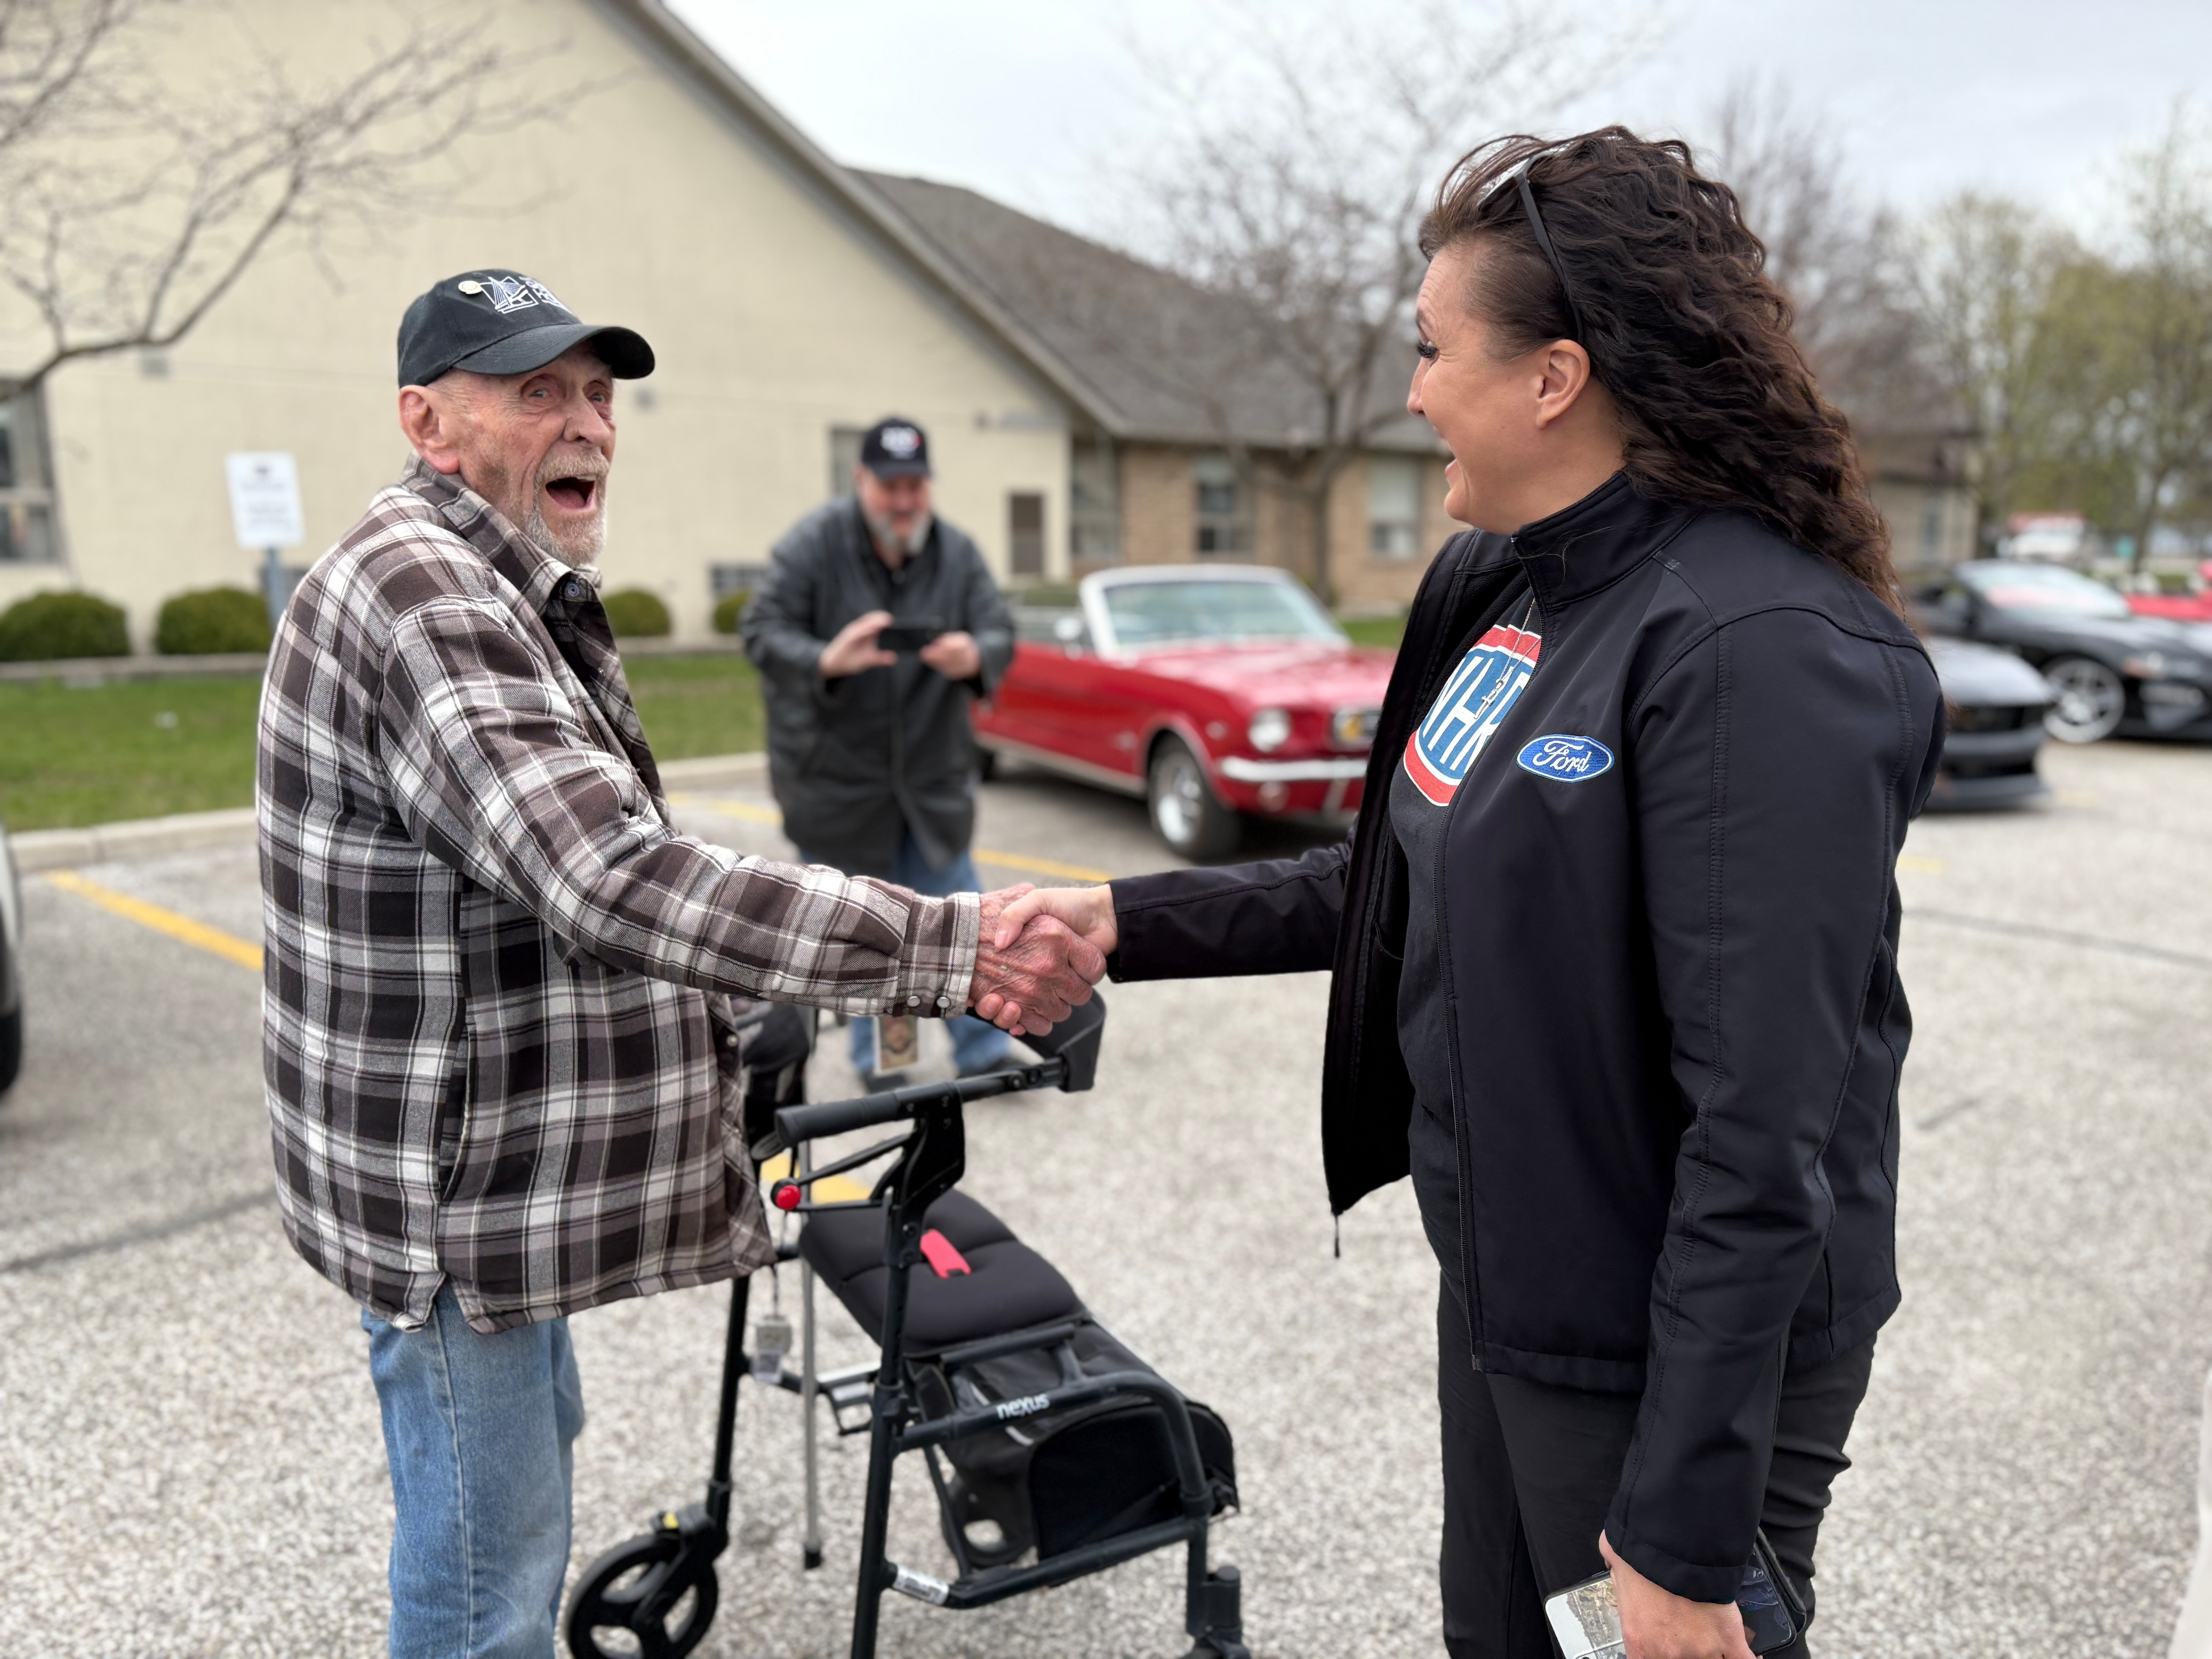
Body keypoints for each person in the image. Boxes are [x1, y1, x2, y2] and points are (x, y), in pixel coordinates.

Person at [988, 131, 1945, 1659]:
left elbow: (1766, 1127)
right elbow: (1401, 879)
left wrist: (1687, 1533)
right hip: (1514, 1284)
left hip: (1681, 1347)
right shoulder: (1495, 580)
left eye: (1435, 351)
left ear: (1555, 377)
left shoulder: (1759, 649)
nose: (1415, 390)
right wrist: (1125, 919)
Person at [256, 270, 1101, 1659]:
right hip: (450, 1191)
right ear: (427, 421)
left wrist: (738, 988)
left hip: (472, 1173)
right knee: (487, 1577)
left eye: (597, 393)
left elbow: (596, 834)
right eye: (537, 392)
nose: (586, 421)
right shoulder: (424, 596)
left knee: (523, 1463)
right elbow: (609, 875)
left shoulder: (496, 575)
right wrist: (948, 949)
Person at [742, 416, 1017, 1082]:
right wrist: (826, 660)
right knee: (867, 941)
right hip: (838, 789)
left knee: (964, 928)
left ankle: (987, 1055)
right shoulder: (814, 545)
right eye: (890, 485)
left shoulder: (957, 553)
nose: (903, 500)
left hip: (931, 789)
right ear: (861, 480)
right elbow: (761, 630)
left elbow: (999, 630)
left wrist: (975, 654)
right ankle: (884, 1063)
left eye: (915, 486)